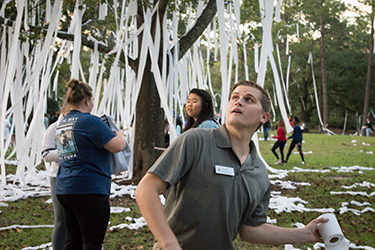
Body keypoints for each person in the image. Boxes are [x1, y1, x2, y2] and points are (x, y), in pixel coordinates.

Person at [135, 80, 328, 250]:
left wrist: (304, 234)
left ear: (264, 117)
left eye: (249, 99)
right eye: (234, 97)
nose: (238, 102)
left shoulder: (259, 172)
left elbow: (251, 230)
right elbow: (146, 189)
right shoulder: (195, 140)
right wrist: (169, 244)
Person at [55, 78, 127, 249]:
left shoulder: (63, 123)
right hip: (89, 188)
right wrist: (120, 134)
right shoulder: (90, 121)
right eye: (93, 99)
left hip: (65, 187)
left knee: (73, 238)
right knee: (92, 242)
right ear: (87, 100)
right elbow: (117, 146)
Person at [41, 100, 70, 250]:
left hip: (76, 177)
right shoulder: (54, 128)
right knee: (61, 221)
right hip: (58, 177)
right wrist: (68, 153)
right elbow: (46, 154)